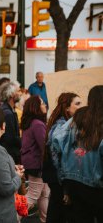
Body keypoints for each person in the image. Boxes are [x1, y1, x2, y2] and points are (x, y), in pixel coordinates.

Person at [51, 85, 103, 223]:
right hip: (97, 185)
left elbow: (56, 142)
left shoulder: (78, 116)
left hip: (74, 183)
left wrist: (63, 177)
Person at [43, 92, 81, 223]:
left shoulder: (64, 123)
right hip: (59, 179)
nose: (80, 107)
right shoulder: (62, 126)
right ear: (67, 108)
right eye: (77, 104)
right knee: (60, 213)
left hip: (56, 178)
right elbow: (58, 159)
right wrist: (66, 188)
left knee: (56, 210)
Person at [21, 95, 49, 223]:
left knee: (43, 194)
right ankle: (12, 217)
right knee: (32, 196)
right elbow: (44, 145)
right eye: (42, 103)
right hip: (37, 164)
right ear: (36, 107)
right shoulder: (38, 124)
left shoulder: (31, 123)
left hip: (31, 163)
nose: (45, 106)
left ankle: (45, 220)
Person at [0, 81, 22, 164]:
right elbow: (10, 138)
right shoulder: (8, 113)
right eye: (18, 91)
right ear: (11, 94)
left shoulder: (10, 110)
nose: (20, 93)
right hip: (10, 155)